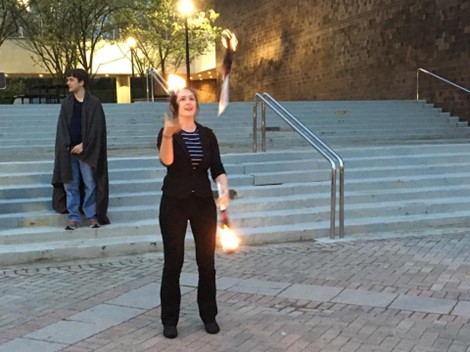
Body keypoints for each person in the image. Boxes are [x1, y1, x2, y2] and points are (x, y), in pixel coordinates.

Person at [156, 87, 229, 339]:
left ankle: (209, 315)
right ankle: (169, 320)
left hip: (202, 203)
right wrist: (167, 135)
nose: (188, 102)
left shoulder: (207, 135)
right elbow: (166, 162)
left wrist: (224, 188)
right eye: (183, 99)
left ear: (197, 105)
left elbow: (217, 168)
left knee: (206, 263)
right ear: (175, 106)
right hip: (174, 203)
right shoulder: (169, 132)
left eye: (192, 98)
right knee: (173, 262)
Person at [52, 68, 110, 229]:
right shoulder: (66, 104)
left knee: (90, 183)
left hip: (87, 152)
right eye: (68, 80)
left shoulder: (94, 104)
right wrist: (67, 146)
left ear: (81, 82)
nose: (68, 83)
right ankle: (74, 217)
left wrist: (84, 145)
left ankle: (91, 215)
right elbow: (62, 128)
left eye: (71, 80)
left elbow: (97, 129)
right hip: (69, 152)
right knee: (70, 185)